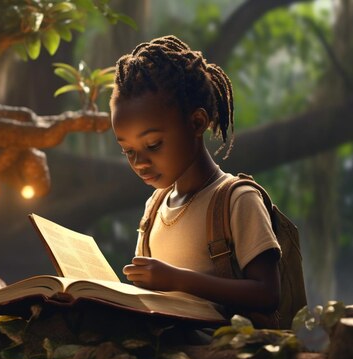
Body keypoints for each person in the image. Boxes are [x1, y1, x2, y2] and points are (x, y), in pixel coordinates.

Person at [110, 35, 281, 318]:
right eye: (127, 150)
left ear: (197, 123)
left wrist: (178, 280)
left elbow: (267, 294)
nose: (139, 162)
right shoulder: (154, 208)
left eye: (153, 145)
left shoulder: (237, 200)